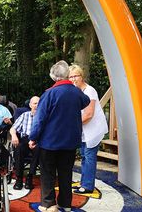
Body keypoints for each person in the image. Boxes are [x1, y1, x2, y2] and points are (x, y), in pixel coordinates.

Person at [29, 61, 90, 212]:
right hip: (70, 142)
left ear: (54, 77)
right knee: (65, 173)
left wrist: (33, 137)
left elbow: (40, 119)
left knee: (47, 173)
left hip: (49, 142)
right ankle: (65, 204)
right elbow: (86, 101)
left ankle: (49, 204)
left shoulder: (49, 93)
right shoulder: (76, 92)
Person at [69, 64, 108, 194]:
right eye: (71, 77)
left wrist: (73, 125)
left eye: (76, 76)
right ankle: (84, 183)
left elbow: (89, 114)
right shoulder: (77, 92)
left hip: (93, 130)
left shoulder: (89, 91)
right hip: (85, 130)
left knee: (89, 157)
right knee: (85, 157)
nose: (74, 79)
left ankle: (87, 186)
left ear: (82, 76)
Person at [9, 96, 40, 190]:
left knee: (39, 150)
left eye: (38, 103)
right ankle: (19, 178)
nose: (37, 105)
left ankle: (30, 177)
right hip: (25, 139)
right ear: (30, 105)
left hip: (38, 141)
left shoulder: (44, 116)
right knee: (18, 148)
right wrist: (14, 135)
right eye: (34, 103)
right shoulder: (25, 115)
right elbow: (13, 128)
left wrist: (34, 140)